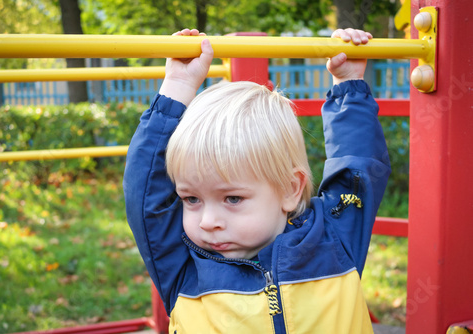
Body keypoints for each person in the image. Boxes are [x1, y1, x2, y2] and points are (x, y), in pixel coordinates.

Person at [124, 28, 390, 333]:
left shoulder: (332, 240)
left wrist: (349, 87)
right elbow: (144, 192)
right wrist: (178, 86)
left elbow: (357, 169)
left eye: (232, 198)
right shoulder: (183, 268)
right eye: (191, 199)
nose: (208, 222)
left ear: (290, 189)